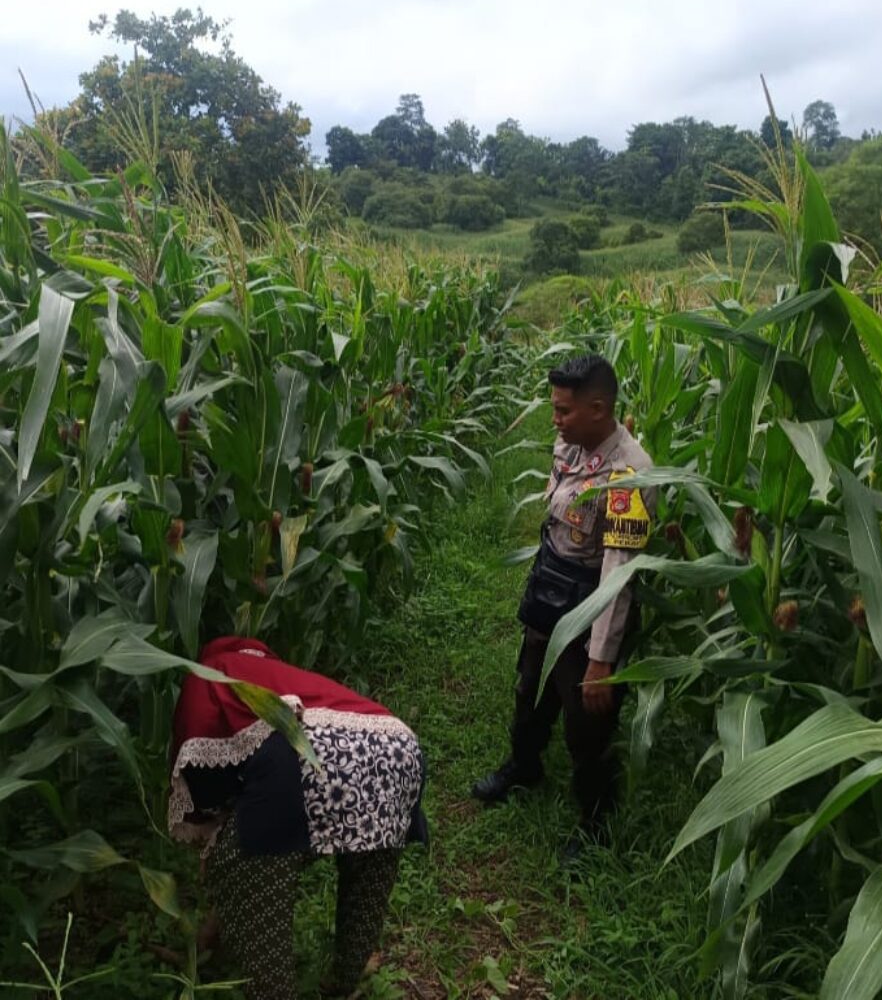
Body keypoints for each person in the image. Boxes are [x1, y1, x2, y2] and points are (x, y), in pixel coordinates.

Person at [168, 636, 427, 1000]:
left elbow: (200, 773)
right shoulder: (275, 672)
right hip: (397, 749)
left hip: (311, 760)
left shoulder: (207, 674)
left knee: (244, 863)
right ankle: (344, 983)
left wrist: (218, 846)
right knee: (367, 878)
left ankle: (273, 990)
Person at [471, 353, 655, 854]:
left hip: (590, 603)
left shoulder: (630, 476)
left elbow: (619, 573)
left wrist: (600, 660)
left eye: (563, 411)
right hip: (550, 584)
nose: (554, 419)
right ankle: (524, 765)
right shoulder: (572, 442)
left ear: (598, 409)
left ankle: (595, 820)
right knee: (530, 687)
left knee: (586, 719)